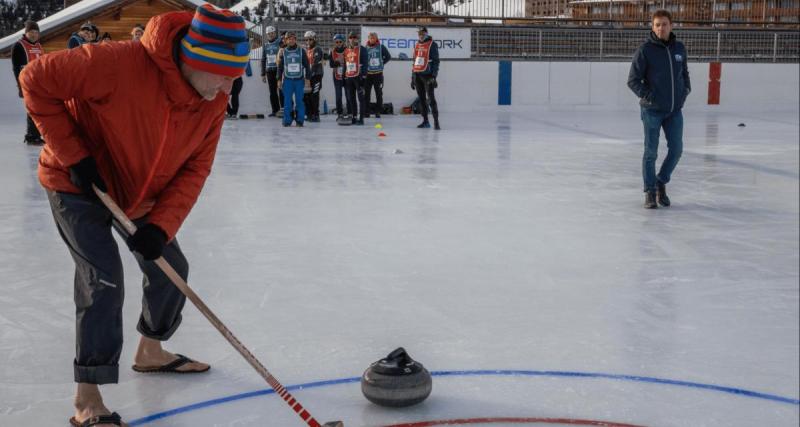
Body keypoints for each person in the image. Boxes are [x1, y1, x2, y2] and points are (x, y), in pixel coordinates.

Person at [19, 5, 249, 426]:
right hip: (78, 184)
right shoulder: (118, 62)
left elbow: (195, 169)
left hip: (140, 193)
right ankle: (87, 398)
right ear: (194, 58)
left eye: (235, 78)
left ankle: (150, 350)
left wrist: (161, 226)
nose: (227, 90)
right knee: (102, 278)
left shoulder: (213, 102)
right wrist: (74, 155)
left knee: (170, 266)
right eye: (222, 75)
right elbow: (34, 80)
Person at [627, 9, 690, 209]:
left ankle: (661, 181)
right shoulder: (645, 50)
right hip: (652, 111)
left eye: (664, 24)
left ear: (671, 26)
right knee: (651, 152)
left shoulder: (679, 48)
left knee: (677, 150)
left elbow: (684, 73)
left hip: (674, 110)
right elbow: (633, 80)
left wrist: (685, 90)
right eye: (657, 25)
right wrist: (649, 96)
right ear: (652, 28)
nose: (661, 28)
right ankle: (650, 191)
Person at [11, 20, 44, 145]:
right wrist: (20, 86)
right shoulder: (19, 46)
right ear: (26, 33)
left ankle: (35, 134)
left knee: (39, 109)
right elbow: (15, 68)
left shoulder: (38, 45)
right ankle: (31, 136)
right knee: (32, 109)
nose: (34, 34)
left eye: (36, 32)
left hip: (39, 83)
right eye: (31, 32)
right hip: (27, 83)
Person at [277, 31, 309, 127]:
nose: (291, 40)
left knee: (299, 101)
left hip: (299, 80)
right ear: (286, 41)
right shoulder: (283, 51)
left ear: (295, 40)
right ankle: (287, 120)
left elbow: (307, 65)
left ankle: (300, 120)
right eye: (289, 39)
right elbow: (280, 67)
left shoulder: (301, 51)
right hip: (288, 80)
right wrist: (279, 79)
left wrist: (308, 78)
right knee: (287, 102)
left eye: (293, 39)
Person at [411, 26, 440, 130]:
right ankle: (425, 121)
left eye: (422, 33)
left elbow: (436, 61)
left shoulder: (432, 44)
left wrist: (434, 76)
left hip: (428, 76)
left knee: (431, 99)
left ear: (426, 33)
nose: (420, 35)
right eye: (419, 33)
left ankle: (436, 122)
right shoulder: (417, 44)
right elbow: (414, 61)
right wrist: (412, 77)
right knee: (422, 100)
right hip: (418, 75)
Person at [363, 31, 391, 119]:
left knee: (378, 93)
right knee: (366, 94)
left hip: (378, 74)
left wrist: (382, 63)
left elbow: (388, 56)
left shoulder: (381, 47)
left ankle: (378, 111)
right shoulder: (365, 48)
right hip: (368, 74)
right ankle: (366, 112)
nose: (372, 39)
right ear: (368, 39)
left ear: (376, 39)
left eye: (373, 38)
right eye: (370, 38)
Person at [344, 31, 368, 125]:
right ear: (349, 39)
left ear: (357, 38)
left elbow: (365, 64)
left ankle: (361, 118)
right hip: (349, 77)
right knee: (351, 98)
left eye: (354, 37)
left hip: (359, 77)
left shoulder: (362, 49)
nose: (352, 39)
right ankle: (354, 116)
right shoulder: (346, 50)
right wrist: (344, 77)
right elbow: (346, 64)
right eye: (351, 37)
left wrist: (364, 77)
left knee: (361, 98)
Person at [303, 30, 325, 123]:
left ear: (314, 39)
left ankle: (316, 115)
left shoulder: (317, 49)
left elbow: (315, 64)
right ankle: (309, 114)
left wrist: (309, 75)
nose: (308, 41)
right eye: (306, 40)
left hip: (316, 76)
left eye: (310, 39)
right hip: (308, 77)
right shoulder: (306, 50)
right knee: (306, 96)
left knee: (314, 96)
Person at [260, 25, 281, 117]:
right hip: (269, 70)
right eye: (269, 34)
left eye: (272, 33)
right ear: (267, 35)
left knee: (281, 90)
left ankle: (284, 109)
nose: (271, 35)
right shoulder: (265, 45)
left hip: (278, 70)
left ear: (275, 34)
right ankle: (275, 110)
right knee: (272, 92)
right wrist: (262, 73)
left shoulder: (279, 42)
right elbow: (263, 59)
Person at [328, 33, 347, 119]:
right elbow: (331, 64)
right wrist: (337, 63)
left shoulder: (347, 50)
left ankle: (350, 112)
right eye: (336, 42)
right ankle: (340, 113)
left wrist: (343, 63)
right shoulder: (332, 51)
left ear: (343, 42)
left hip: (347, 75)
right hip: (337, 76)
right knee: (338, 96)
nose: (338, 43)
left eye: (340, 42)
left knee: (348, 95)